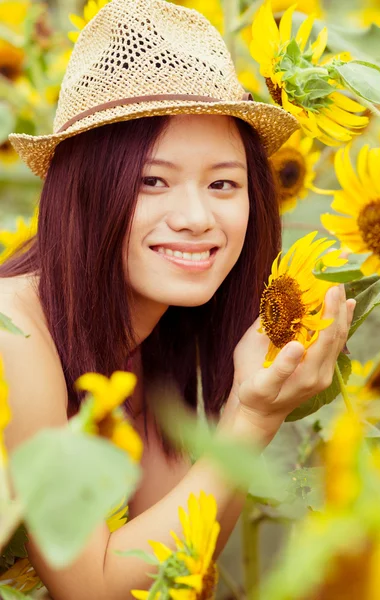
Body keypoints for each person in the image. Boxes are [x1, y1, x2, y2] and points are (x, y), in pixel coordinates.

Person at [0, 0, 356, 598]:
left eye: (223, 183)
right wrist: (254, 421)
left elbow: (173, 556)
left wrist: (250, 398)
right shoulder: (15, 334)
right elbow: (91, 588)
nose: (196, 218)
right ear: (84, 193)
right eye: (152, 180)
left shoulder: (143, 337)